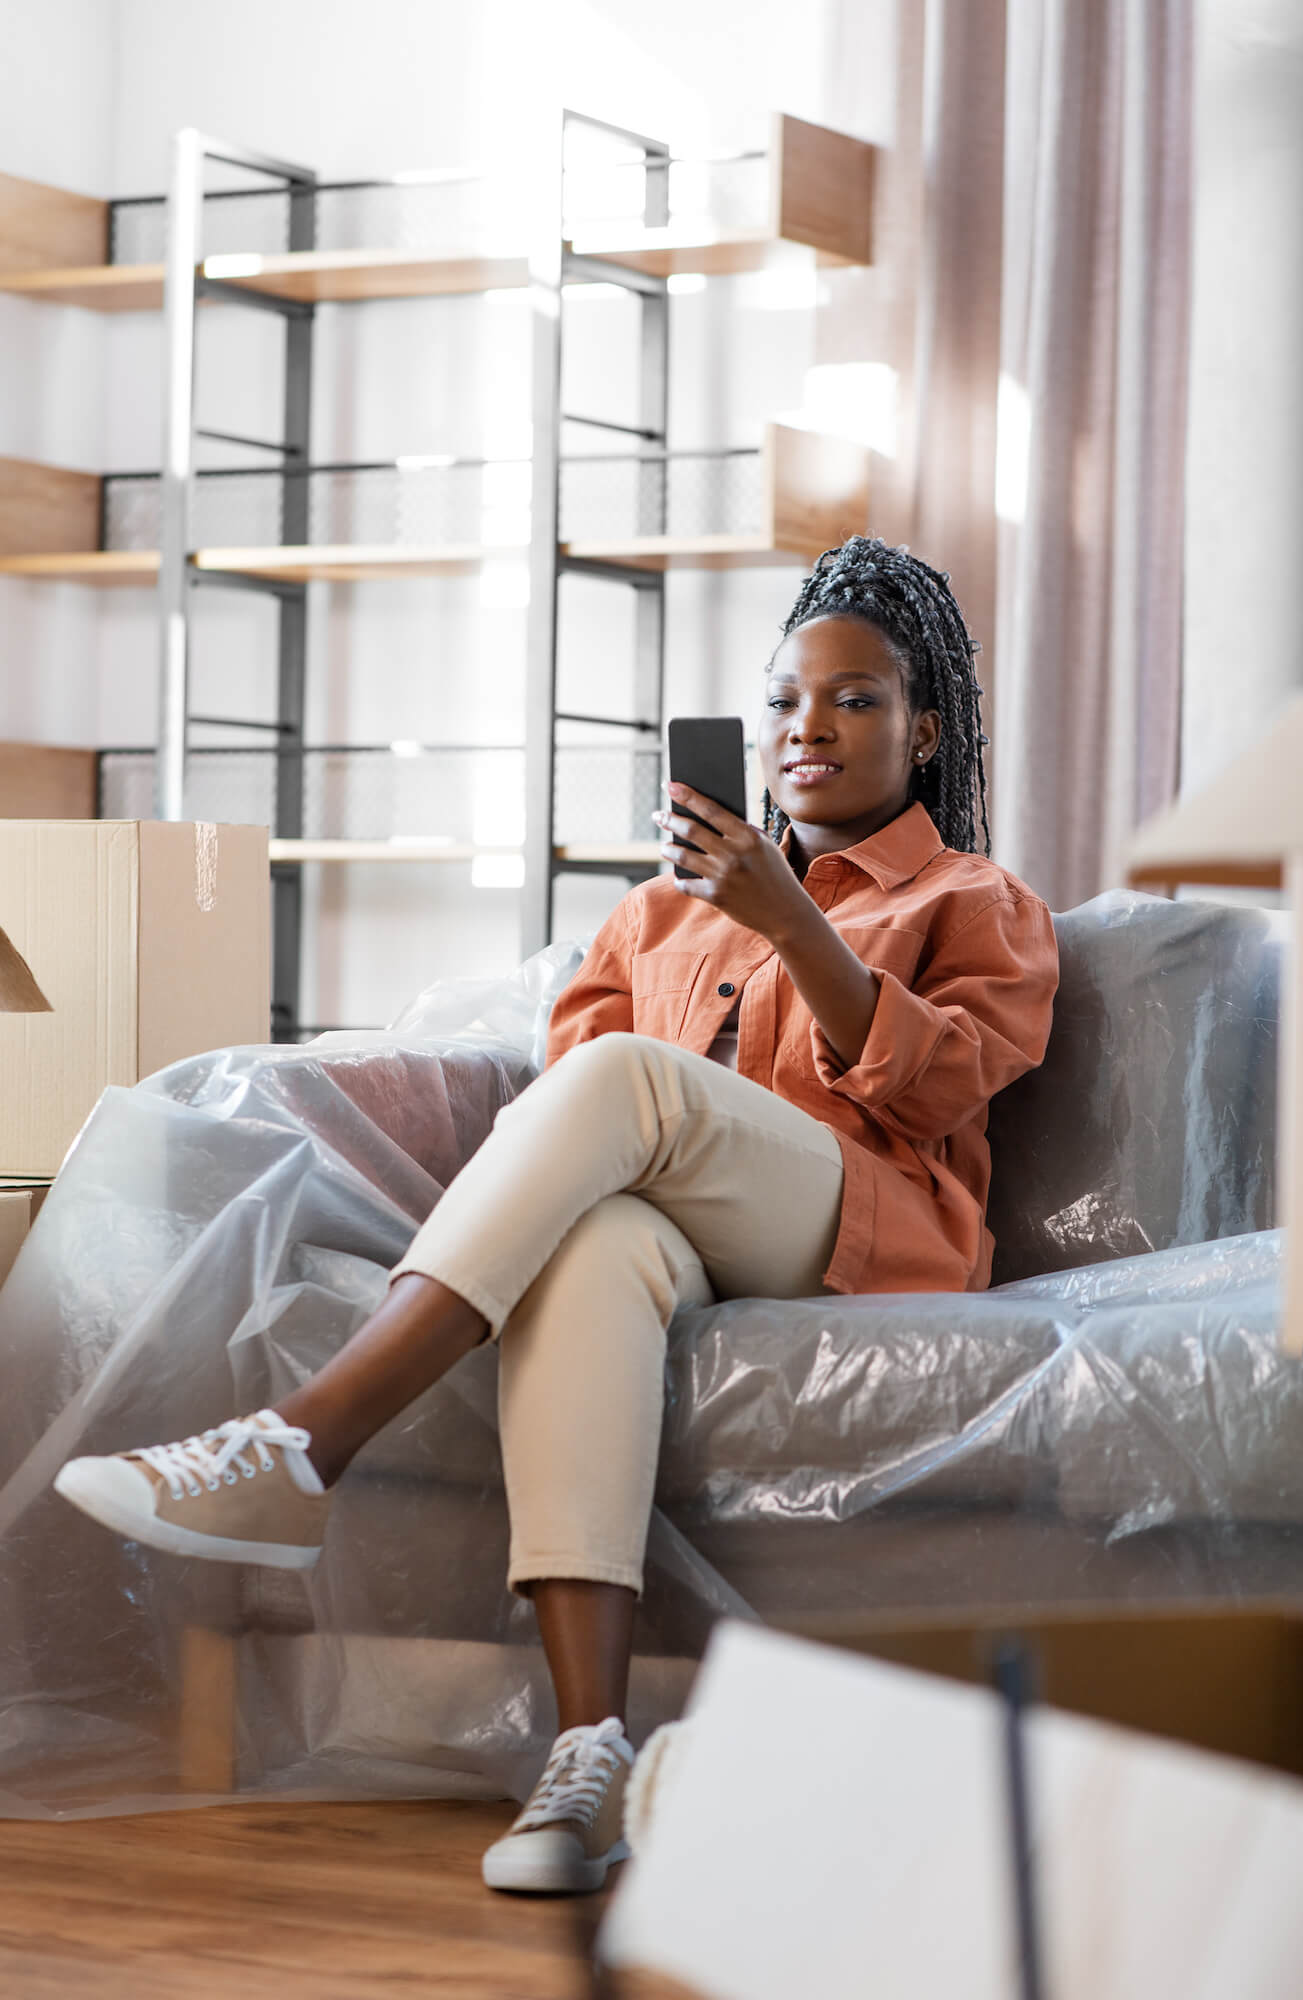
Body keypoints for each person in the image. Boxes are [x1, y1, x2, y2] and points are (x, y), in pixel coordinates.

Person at [55, 535, 1059, 1896]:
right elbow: (564, 1111)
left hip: (865, 1229)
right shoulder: (655, 916)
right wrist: (722, 926)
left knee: (630, 1080)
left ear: (926, 728)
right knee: (593, 1244)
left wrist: (792, 927)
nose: (806, 727)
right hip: (680, 1232)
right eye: (780, 701)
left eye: (857, 698)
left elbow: (938, 1091)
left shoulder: (976, 900)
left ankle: (302, 1442)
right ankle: (589, 1758)